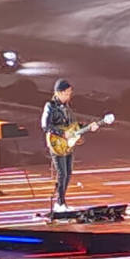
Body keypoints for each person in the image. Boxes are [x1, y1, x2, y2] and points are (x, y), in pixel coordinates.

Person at [41, 77, 81, 214]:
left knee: (68, 173)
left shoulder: (67, 108)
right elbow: (46, 125)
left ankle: (62, 201)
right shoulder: (50, 106)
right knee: (62, 173)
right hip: (57, 144)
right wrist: (62, 134)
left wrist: (85, 127)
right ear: (59, 92)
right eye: (67, 93)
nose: (69, 96)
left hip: (68, 145)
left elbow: (72, 125)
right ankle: (59, 202)